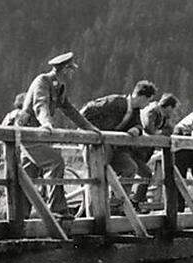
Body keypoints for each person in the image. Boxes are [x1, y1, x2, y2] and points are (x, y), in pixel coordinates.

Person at [16, 52, 100, 218]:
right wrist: (46, 123)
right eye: (71, 70)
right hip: (30, 132)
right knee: (55, 162)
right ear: (65, 70)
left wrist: (89, 127)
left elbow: (69, 110)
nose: (72, 74)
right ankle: (56, 209)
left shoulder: (59, 87)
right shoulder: (43, 81)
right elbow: (40, 104)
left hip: (38, 135)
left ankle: (20, 216)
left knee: (28, 174)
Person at [82, 80, 158, 210]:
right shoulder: (115, 101)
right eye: (147, 101)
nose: (147, 105)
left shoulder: (134, 111)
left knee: (130, 168)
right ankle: (92, 209)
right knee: (98, 175)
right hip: (97, 145)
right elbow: (86, 111)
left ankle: (117, 204)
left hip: (114, 147)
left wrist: (136, 129)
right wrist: (93, 131)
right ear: (142, 97)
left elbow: (139, 125)